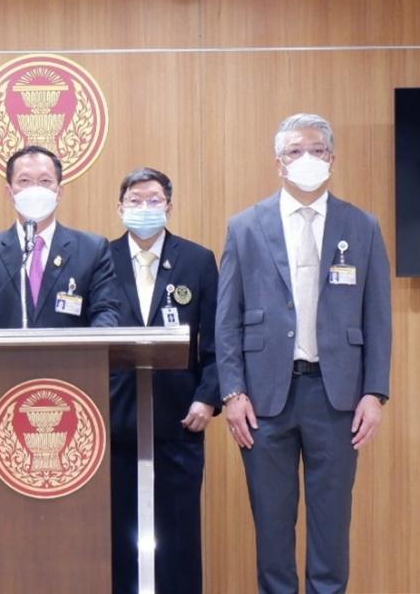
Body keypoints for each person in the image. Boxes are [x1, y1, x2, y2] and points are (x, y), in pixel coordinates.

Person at [216, 113, 391, 593]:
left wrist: (375, 392)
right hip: (263, 401)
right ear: (279, 163)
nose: (306, 158)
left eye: (316, 150)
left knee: (331, 528)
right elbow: (227, 319)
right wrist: (232, 393)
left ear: (331, 159)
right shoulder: (245, 227)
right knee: (272, 529)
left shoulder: (362, 226)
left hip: (337, 399)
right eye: (295, 151)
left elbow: (378, 317)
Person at [108, 167, 219, 594]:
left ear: (168, 206)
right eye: (134, 200)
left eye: (153, 200)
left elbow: (216, 341)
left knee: (178, 536)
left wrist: (207, 398)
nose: (144, 208)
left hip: (180, 419)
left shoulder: (197, 260)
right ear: (120, 208)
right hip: (115, 421)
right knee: (120, 535)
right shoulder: (101, 259)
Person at [0, 145, 118, 329]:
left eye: (45, 181)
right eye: (24, 181)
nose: (35, 189)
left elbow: (105, 312)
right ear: (9, 193)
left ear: (59, 192)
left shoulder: (92, 249)